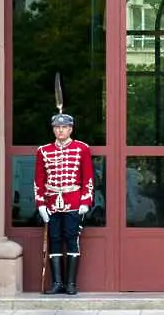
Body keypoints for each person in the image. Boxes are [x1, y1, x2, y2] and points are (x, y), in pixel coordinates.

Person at [34, 113, 94, 295]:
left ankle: (71, 284)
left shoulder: (82, 148)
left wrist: (85, 200)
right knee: (55, 240)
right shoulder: (43, 151)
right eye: (57, 127)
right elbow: (39, 179)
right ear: (53, 129)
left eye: (64, 127)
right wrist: (41, 204)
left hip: (74, 201)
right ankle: (57, 283)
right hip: (52, 202)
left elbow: (88, 177)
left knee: (71, 239)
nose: (60, 130)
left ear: (70, 129)